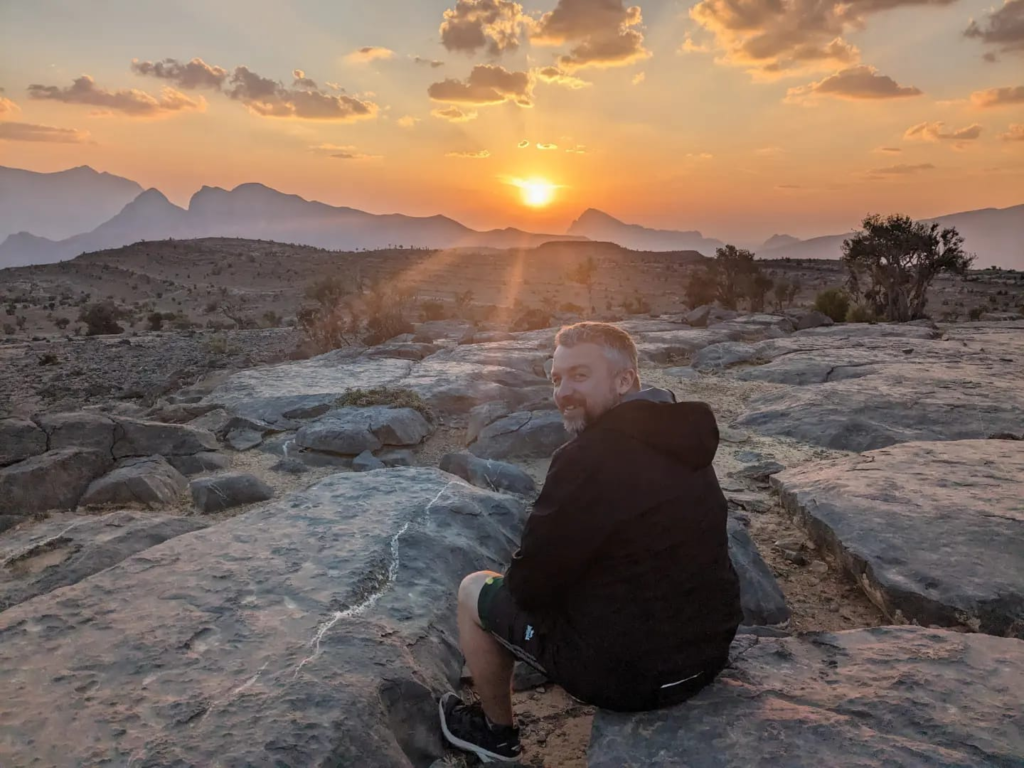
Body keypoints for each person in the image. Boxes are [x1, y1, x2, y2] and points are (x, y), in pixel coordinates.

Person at [439, 321, 743, 763]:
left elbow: (529, 586)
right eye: (557, 379)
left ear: (625, 380)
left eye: (580, 375)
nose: (563, 392)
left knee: (474, 589)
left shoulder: (585, 459)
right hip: (707, 657)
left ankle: (494, 735)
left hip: (628, 679)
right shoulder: (683, 436)